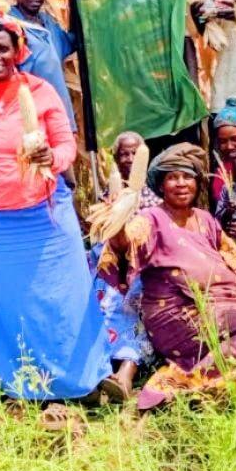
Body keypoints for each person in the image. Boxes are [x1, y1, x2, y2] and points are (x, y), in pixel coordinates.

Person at [0, 15, 113, 408]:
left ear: (18, 51)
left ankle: (75, 381)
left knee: (62, 299)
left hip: (43, 216)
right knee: (5, 304)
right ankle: (18, 382)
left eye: (4, 48)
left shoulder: (42, 92)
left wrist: (51, 157)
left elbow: (67, 146)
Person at [109, 144, 236, 412]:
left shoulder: (205, 220)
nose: (181, 183)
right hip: (179, 313)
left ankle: (230, 385)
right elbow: (124, 243)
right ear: (161, 185)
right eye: (172, 177)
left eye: (187, 176)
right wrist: (118, 218)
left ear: (197, 183)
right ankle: (184, 388)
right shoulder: (151, 219)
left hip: (221, 304)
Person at [87, 0, 205, 142]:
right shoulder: (102, 17)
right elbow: (114, 68)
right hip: (142, 112)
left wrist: (192, 93)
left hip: (177, 105)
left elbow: (185, 41)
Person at [87, 131, 157, 401]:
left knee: (132, 308)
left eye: (134, 153)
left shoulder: (152, 198)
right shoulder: (106, 197)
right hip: (107, 269)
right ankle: (99, 376)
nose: (128, 159)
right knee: (101, 307)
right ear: (115, 158)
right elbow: (99, 240)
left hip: (140, 271)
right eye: (123, 154)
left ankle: (125, 374)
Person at [7, 0, 78, 131]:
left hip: (61, 117)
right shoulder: (10, 26)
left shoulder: (47, 22)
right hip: (33, 121)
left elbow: (71, 42)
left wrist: (74, 1)